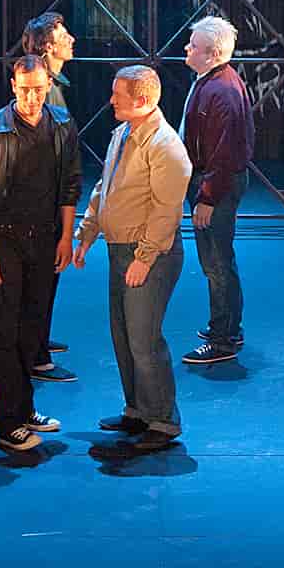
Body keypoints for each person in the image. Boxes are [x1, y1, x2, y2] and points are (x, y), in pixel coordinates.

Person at [0, 56, 83, 452]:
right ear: (13, 86)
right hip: (2, 240)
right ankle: (8, 422)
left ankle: (25, 408)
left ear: (48, 85)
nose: (32, 97)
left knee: (32, 329)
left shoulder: (62, 125)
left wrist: (66, 238)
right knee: (3, 332)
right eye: (25, 89)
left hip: (45, 240)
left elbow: (70, 185)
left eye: (39, 89)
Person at [73, 65, 193, 455]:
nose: (110, 101)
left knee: (144, 339)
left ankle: (163, 421)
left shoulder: (165, 145)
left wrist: (145, 257)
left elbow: (166, 210)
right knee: (124, 336)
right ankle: (138, 410)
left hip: (149, 254)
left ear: (141, 101)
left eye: (118, 96)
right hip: (120, 250)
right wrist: (86, 233)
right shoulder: (123, 133)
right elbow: (103, 187)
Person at [179, 16, 255, 366]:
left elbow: (225, 153)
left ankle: (223, 338)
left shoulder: (221, 90)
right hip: (212, 182)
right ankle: (227, 327)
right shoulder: (213, 82)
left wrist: (207, 197)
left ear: (211, 53)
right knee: (217, 261)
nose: (187, 48)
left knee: (216, 263)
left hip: (214, 185)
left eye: (193, 45)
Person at [20, 10, 77, 359]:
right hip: (41, 203)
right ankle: (35, 352)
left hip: (45, 199)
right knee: (40, 280)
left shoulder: (54, 87)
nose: (71, 40)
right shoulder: (46, 93)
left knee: (45, 280)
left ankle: (38, 340)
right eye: (63, 36)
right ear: (47, 46)